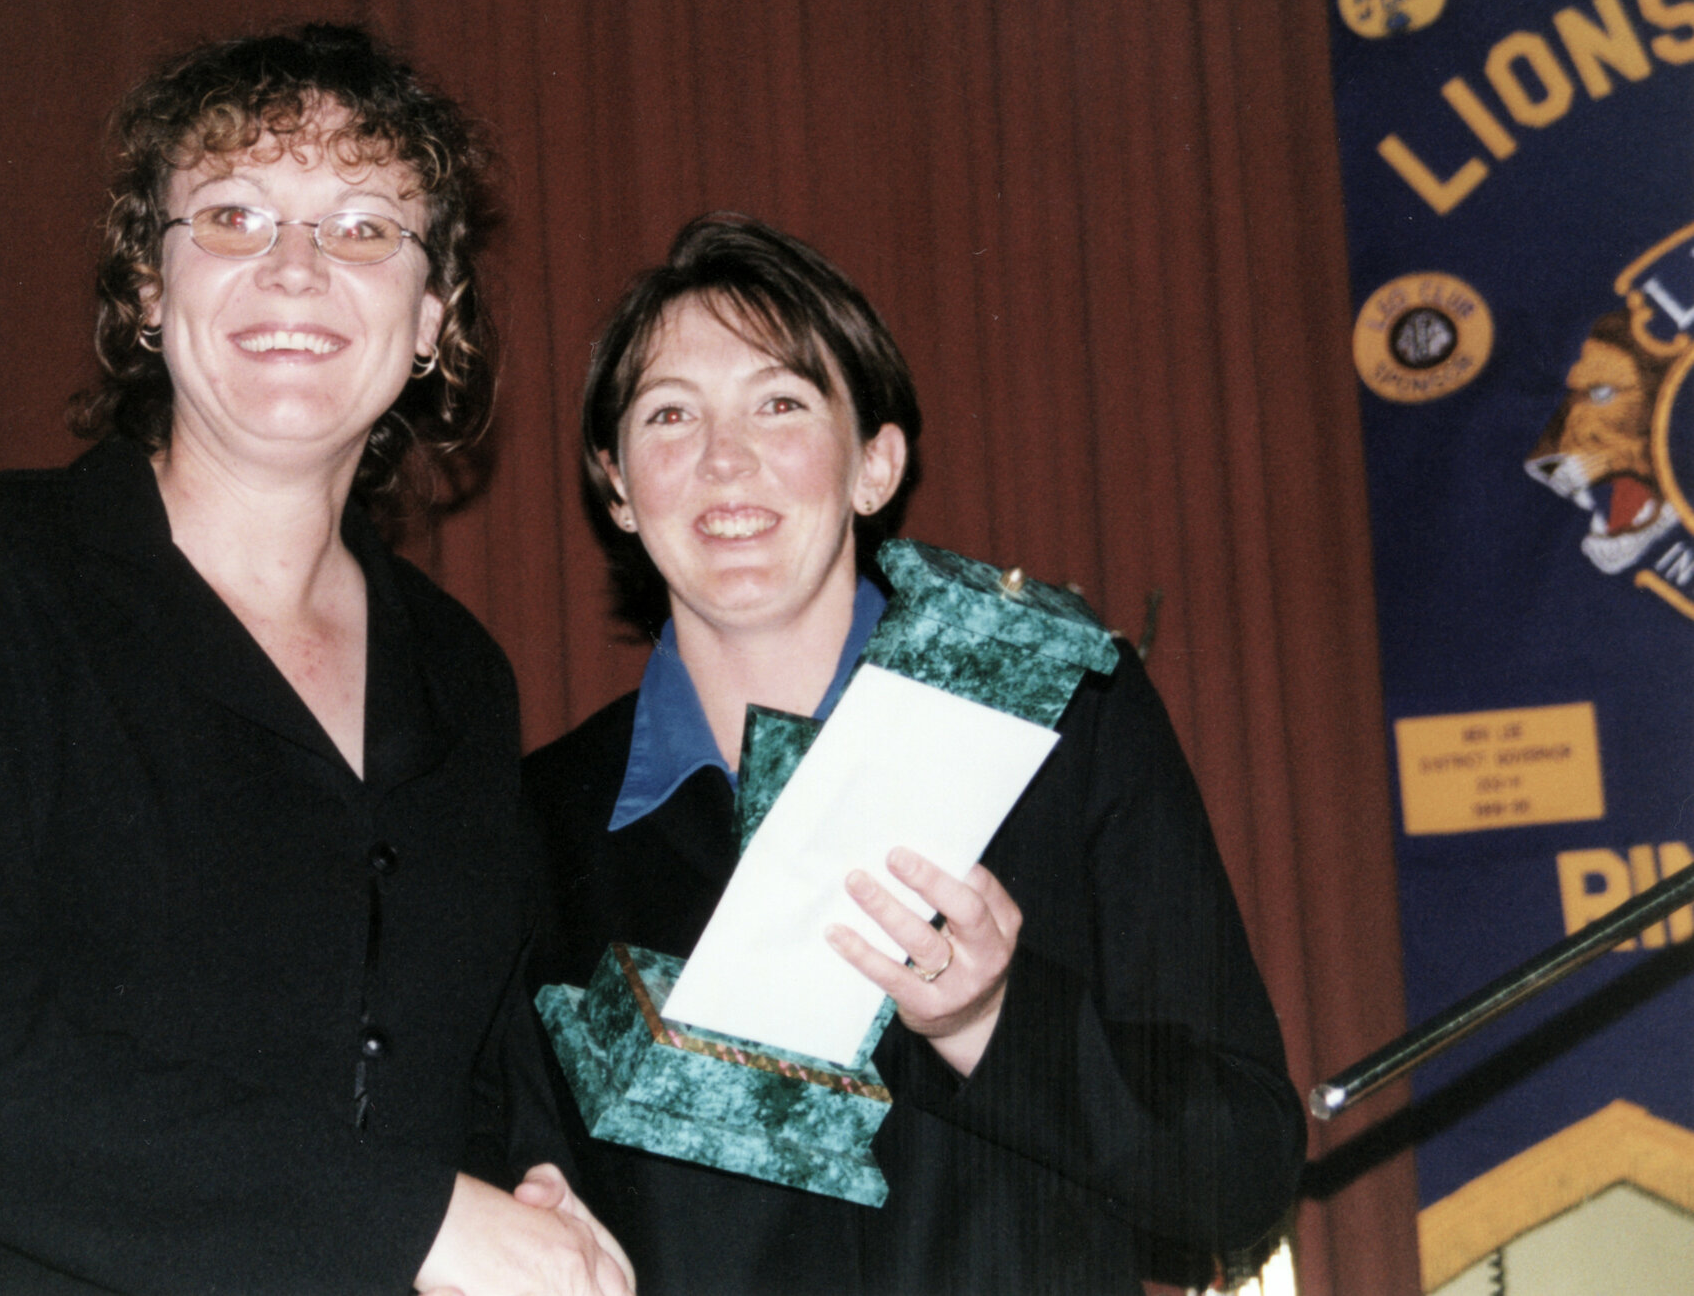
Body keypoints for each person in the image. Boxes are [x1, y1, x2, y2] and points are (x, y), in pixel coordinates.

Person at [0, 24, 630, 1296]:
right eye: (231, 215)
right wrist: (424, 1224)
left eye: (363, 228)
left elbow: (459, 1070)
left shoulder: (459, 672)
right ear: (148, 293)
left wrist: (528, 1190)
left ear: (433, 316)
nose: (295, 267)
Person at [524, 213, 1305, 1295]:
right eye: (669, 416)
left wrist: (992, 1022)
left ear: (874, 465)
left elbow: (1241, 1174)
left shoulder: (1061, 724)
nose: (724, 459)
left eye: (782, 402)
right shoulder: (533, 820)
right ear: (616, 487)